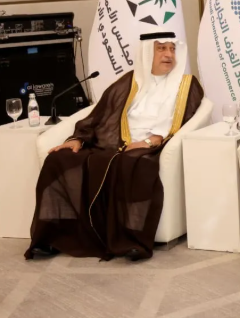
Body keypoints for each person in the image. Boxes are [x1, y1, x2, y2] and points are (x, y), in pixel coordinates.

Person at [25, 32, 203, 261]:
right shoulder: (129, 81)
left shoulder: (187, 85)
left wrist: (149, 141)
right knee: (59, 160)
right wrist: (78, 139)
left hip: (150, 147)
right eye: (161, 48)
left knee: (133, 163)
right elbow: (100, 114)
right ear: (147, 52)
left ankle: (131, 241)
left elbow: (184, 120)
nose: (169, 54)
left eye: (172, 49)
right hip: (113, 142)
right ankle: (53, 237)